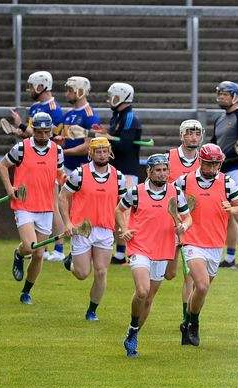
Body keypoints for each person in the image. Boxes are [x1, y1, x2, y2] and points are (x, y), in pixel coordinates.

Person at [117, 154, 192, 358]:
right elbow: (119, 209)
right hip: (139, 247)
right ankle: (133, 327)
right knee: (142, 291)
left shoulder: (176, 193)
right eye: (157, 170)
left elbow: (188, 217)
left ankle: (133, 334)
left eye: (165, 169)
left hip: (163, 250)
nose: (162, 173)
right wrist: (124, 228)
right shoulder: (136, 192)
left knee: (149, 299)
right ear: (148, 172)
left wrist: (183, 226)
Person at [176, 144, 238, 346]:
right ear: (200, 160)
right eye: (208, 163)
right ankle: (194, 324)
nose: (211, 168)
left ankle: (188, 321)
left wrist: (232, 210)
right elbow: (168, 200)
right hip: (192, 241)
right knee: (201, 285)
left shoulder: (227, 183)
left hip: (216, 244)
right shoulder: (184, 181)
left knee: (201, 291)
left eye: (215, 164)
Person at [0, 112, 65, 305]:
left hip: (45, 207)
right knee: (30, 246)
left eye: (46, 132)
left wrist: (68, 182)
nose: (43, 136)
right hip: (24, 204)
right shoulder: (21, 148)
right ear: (33, 130)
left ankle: (26, 291)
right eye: (39, 132)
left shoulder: (57, 151)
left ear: (51, 131)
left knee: (39, 254)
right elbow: (2, 165)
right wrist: (10, 188)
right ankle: (19, 253)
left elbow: (59, 174)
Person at [58, 137, 126, 320]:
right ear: (91, 153)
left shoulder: (118, 176)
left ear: (110, 152)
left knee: (101, 271)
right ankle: (70, 263)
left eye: (105, 151)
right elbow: (63, 197)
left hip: (105, 230)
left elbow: (123, 205)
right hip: (82, 229)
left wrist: (125, 227)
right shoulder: (79, 174)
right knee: (82, 273)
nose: (102, 155)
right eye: (98, 151)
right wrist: (67, 222)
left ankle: (92, 310)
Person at [209, 81, 238, 269]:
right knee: (227, 214)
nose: (221, 97)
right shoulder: (219, 119)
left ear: (235, 96)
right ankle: (229, 257)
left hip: (237, 169)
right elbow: (213, 143)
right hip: (222, 170)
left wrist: (225, 157)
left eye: (225, 94)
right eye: (219, 94)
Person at [57, 76, 101, 260]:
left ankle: (81, 251)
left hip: (81, 170)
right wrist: (61, 142)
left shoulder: (90, 115)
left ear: (81, 91)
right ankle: (69, 251)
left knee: (80, 210)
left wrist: (65, 152)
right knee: (66, 208)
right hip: (66, 169)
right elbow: (64, 138)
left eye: (70, 90)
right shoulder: (68, 115)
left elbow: (89, 144)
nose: (67, 93)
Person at [164, 120, 203, 315]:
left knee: (190, 275)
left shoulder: (206, 160)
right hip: (171, 222)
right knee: (170, 274)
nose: (193, 137)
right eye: (189, 133)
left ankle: (187, 318)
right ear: (181, 135)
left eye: (197, 133)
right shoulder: (168, 157)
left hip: (193, 223)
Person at [106, 82, 143, 265]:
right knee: (117, 212)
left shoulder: (129, 118)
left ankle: (130, 253)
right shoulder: (117, 117)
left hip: (127, 171)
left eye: (113, 96)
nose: (109, 99)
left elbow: (125, 145)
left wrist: (105, 138)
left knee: (127, 213)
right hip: (116, 170)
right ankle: (120, 253)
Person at [9, 71, 64, 139]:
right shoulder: (34, 107)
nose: (29, 90)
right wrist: (22, 133)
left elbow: (43, 136)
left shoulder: (54, 109)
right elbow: (31, 135)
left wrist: (20, 125)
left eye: (31, 86)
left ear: (40, 86)